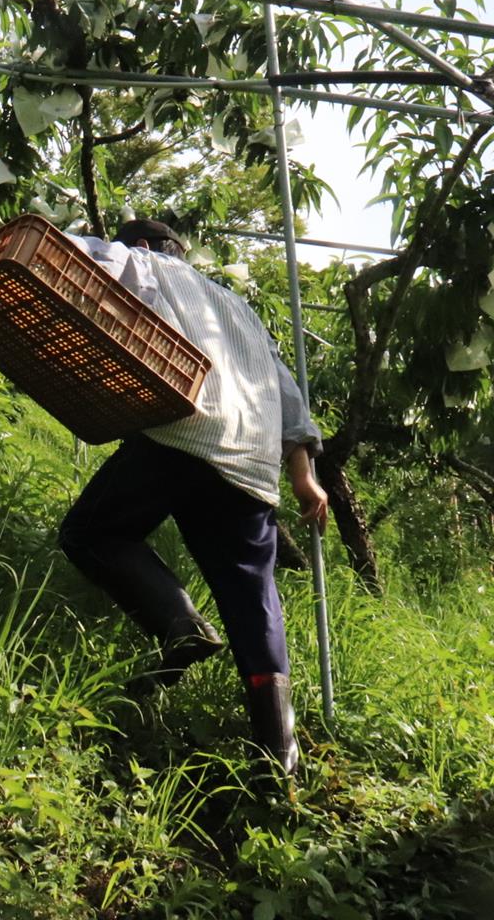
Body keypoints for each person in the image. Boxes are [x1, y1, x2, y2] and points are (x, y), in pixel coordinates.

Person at [54, 217, 328, 774]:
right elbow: (286, 394)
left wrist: (3, 239)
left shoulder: (148, 265)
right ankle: (279, 757)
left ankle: (182, 629)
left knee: (92, 532)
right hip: (251, 460)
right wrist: (303, 475)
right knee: (252, 596)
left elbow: (91, 260)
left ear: (150, 246)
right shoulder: (239, 310)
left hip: (184, 432)